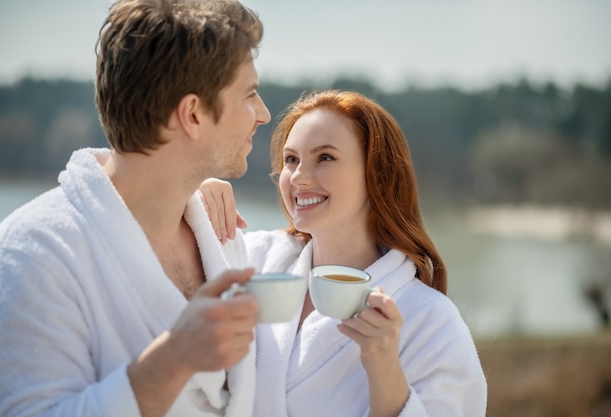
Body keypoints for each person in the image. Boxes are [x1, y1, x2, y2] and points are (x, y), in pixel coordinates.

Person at [0, 1, 272, 416]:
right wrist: (174, 358)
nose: (263, 114)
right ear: (193, 114)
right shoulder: (33, 255)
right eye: (249, 94)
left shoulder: (222, 238)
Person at [199, 89, 487, 416]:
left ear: (375, 174)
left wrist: (383, 367)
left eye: (325, 157)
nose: (298, 177)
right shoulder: (256, 260)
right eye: (291, 159)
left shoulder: (431, 321)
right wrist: (193, 199)